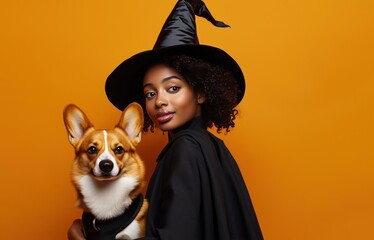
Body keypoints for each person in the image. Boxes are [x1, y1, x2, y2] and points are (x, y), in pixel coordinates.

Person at [68, 0, 263, 239]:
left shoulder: (185, 149)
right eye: (150, 93)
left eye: (172, 88)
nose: (159, 101)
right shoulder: (210, 146)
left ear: (200, 92)